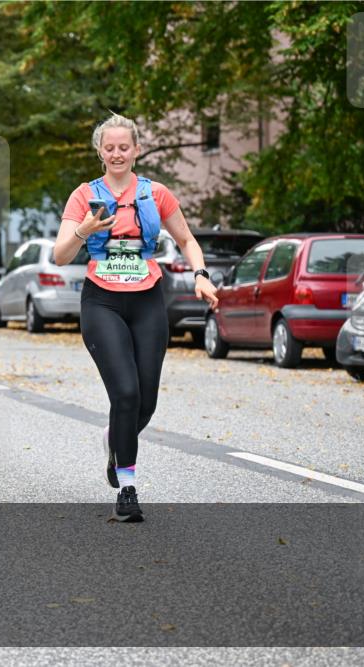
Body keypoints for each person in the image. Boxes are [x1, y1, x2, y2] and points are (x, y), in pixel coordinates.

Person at [52, 113, 219, 522]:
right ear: (99, 152)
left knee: (146, 399)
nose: (116, 154)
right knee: (124, 393)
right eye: (109, 148)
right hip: (102, 302)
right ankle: (127, 487)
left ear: (137, 150)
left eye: (123, 147)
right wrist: (84, 229)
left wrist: (200, 275)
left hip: (147, 299)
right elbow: (59, 255)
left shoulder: (155, 193)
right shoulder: (83, 196)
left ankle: (115, 439)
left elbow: (186, 239)